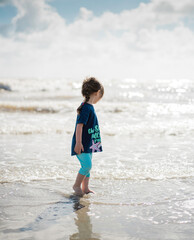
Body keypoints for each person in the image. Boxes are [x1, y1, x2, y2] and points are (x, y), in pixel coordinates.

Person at [71, 77, 104, 196]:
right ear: (97, 93)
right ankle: (76, 185)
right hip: (82, 143)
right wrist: (78, 143)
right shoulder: (85, 108)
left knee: (88, 166)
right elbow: (79, 126)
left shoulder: (89, 106)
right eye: (101, 95)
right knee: (87, 165)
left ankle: (85, 188)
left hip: (88, 143)